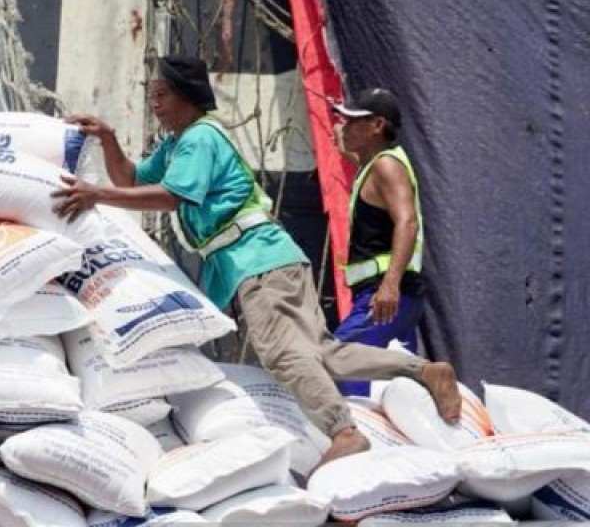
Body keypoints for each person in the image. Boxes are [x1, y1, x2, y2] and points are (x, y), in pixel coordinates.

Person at [51, 55, 461, 468]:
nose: (154, 104)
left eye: (162, 95)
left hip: (257, 261)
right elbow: (133, 180)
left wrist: (95, 194)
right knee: (325, 354)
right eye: (151, 96)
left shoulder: (200, 139)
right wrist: (107, 139)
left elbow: (170, 197)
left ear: (187, 97)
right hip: (273, 256)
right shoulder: (178, 143)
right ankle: (423, 371)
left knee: (284, 355)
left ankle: (344, 432)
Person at [332, 88, 427, 396]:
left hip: (386, 294)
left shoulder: (387, 167)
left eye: (354, 121)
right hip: (393, 295)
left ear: (377, 126)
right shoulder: (373, 164)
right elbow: (344, 142)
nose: (345, 127)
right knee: (397, 381)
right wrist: (338, 123)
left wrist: (390, 284)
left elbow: (407, 221)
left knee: (342, 358)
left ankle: (357, 432)